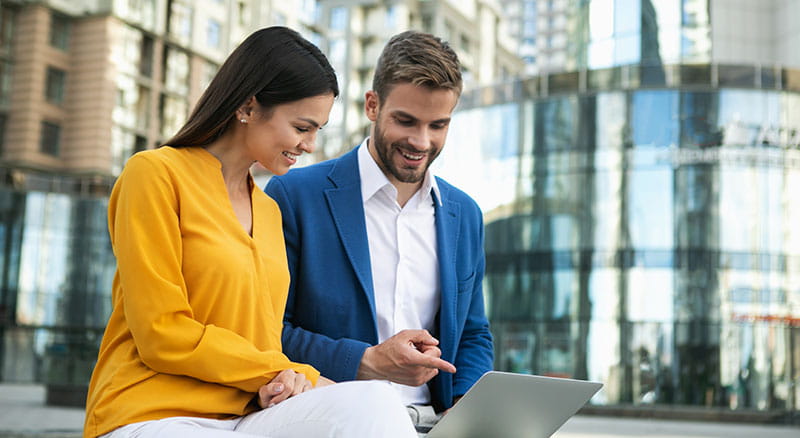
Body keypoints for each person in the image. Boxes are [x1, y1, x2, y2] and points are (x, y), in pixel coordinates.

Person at [83, 27, 416, 438]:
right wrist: (284, 370)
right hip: (151, 413)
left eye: (318, 131)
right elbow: (160, 333)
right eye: (301, 127)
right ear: (248, 106)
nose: (309, 145)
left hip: (246, 416)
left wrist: (285, 380)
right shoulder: (155, 175)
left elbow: (263, 339)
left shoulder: (269, 210)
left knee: (376, 401)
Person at [265, 30, 494, 428]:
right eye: (405, 121)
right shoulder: (295, 195)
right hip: (336, 420)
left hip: (435, 423)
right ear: (372, 105)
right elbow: (269, 331)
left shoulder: (465, 214)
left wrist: (465, 411)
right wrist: (367, 362)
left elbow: (473, 334)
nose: (421, 142)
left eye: (438, 125)